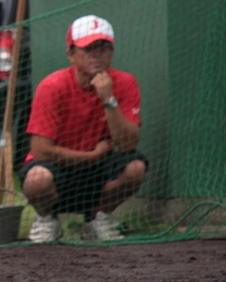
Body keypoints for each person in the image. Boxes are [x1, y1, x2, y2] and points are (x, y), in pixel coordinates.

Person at [20, 16, 147, 243]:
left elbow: (128, 144)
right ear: (71, 54)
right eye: (88, 49)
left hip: (98, 171)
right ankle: (46, 219)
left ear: (111, 52)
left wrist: (108, 100)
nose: (96, 55)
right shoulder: (52, 85)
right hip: (58, 168)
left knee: (136, 167)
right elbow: (40, 150)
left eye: (103, 48)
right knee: (37, 179)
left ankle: (98, 219)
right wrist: (92, 156)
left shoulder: (125, 82)